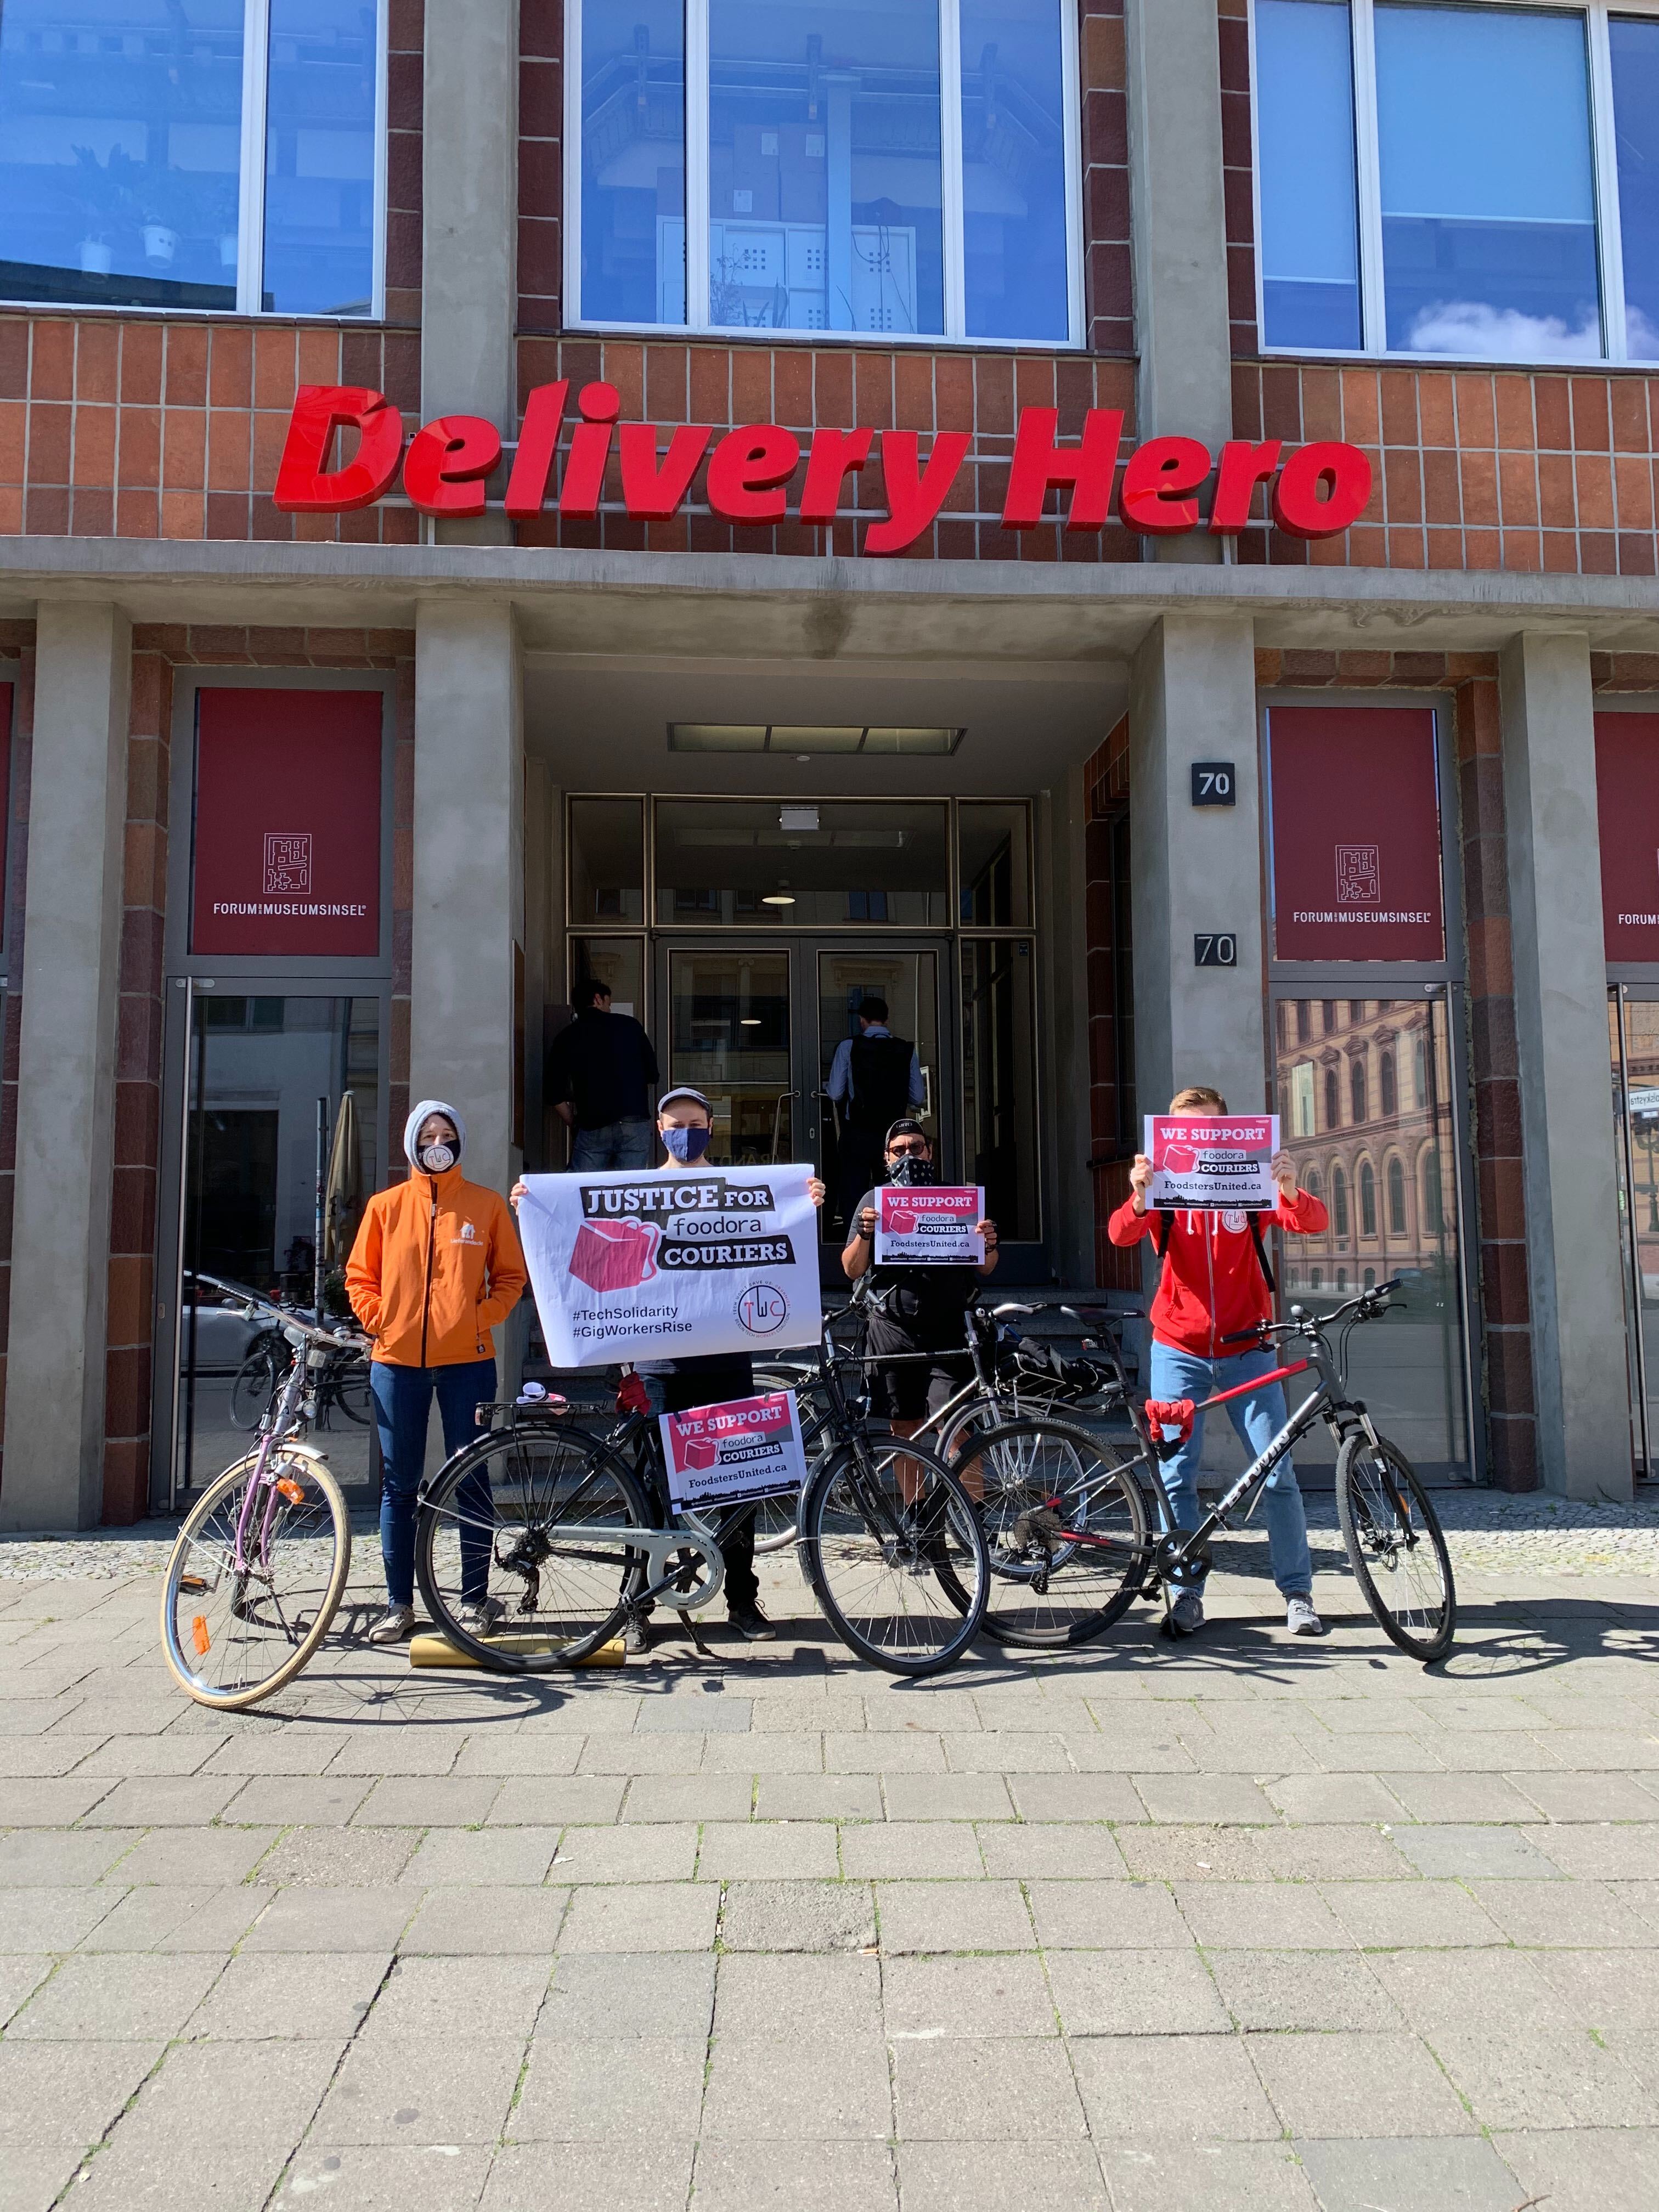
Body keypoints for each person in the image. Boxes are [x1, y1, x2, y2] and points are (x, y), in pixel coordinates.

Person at [512, 1088, 826, 1653]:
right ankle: (639, 1602)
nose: (687, 1131)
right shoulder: (632, 1191)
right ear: (660, 1129)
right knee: (650, 1488)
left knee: (740, 1482)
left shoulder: (740, 1193)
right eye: (677, 1123)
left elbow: (779, 1229)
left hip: (727, 1360)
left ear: (712, 1128)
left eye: (697, 1123)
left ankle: (741, 1597)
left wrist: (808, 1202)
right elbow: (576, 1233)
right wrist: (534, 1204)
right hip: (658, 1367)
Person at [1108, 1084, 1329, 1639]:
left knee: (1277, 1474)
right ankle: (1185, 1596)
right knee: (1176, 1476)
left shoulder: (1252, 1182)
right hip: (1178, 1349)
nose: (1199, 1139)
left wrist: (1289, 1187)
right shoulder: (1165, 1184)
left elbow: (1313, 1223)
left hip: (1248, 1349)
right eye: (1186, 1129)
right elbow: (1119, 1233)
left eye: (1210, 1127)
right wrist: (1138, 1196)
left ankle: (1298, 1593)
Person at [346, 1101, 528, 1646]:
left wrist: (476, 1318)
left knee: (471, 1481)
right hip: (395, 1365)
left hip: (468, 1364)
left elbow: (511, 1278)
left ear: (460, 1143)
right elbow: (360, 1277)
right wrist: (384, 1322)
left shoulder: (485, 1205)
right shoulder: (385, 1207)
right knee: (399, 1488)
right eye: (427, 1135)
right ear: (411, 1144)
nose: (437, 1143)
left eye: (446, 1134)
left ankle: (475, 1601)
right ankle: (398, 1604)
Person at [840, 1119, 1000, 1444]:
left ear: (929, 1152)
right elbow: (852, 1269)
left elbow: (986, 1268)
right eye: (899, 1150)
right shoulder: (874, 1199)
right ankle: (916, 1500)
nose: (908, 1156)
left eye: (916, 1147)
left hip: (949, 1328)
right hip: (892, 1329)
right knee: (904, 1428)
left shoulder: (957, 1199)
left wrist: (989, 1244)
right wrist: (865, 1234)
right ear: (887, 1158)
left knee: (958, 1426)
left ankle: (969, 1499)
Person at [826, 997, 926, 1234]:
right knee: (893, 1192)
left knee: (854, 1193)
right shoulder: (906, 1049)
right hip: (894, 1138)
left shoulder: (848, 1047)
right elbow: (917, 1096)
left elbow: (835, 1093)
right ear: (887, 1019)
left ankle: (855, 1246)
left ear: (862, 1020)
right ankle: (891, 1244)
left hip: (858, 1132)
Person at [546, 979, 661, 1170]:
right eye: (609, 1003)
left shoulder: (567, 1036)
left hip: (592, 1124)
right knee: (628, 1191)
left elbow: (553, 1092)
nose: (609, 1008)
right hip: (634, 1120)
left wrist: (575, 1123)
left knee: (584, 1190)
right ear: (598, 999)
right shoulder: (630, 1026)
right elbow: (652, 1075)